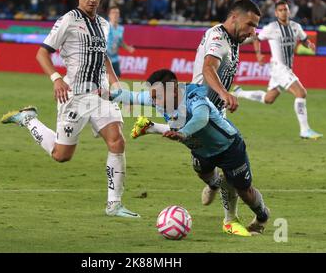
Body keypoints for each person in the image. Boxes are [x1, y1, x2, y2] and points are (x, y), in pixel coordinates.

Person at [0, 0, 139, 218]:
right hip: (74, 95)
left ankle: (114, 204)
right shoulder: (68, 20)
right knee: (61, 155)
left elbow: (103, 56)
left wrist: (115, 82)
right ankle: (28, 119)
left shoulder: (104, 25)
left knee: (117, 141)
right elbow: (42, 53)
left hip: (100, 93)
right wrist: (55, 79)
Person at [129, 0, 262, 235]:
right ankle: (215, 187)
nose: (252, 30)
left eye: (255, 26)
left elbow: (248, 38)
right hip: (196, 107)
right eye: (250, 24)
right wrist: (224, 93)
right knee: (202, 165)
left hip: (213, 112)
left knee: (225, 161)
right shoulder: (218, 38)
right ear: (234, 17)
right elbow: (208, 68)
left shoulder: (234, 38)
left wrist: (255, 37)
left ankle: (231, 219)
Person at [112, 69, 270, 236]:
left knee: (244, 191)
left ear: (173, 90)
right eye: (152, 96)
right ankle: (216, 185)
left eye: (157, 96)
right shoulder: (158, 98)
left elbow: (201, 118)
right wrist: (107, 94)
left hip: (228, 147)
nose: (154, 101)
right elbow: (132, 96)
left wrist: (183, 133)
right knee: (204, 174)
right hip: (201, 150)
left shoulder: (194, 96)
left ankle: (260, 217)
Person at [232, 0, 322, 139]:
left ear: (289, 11)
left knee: (269, 99)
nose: (283, 12)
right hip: (279, 68)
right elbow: (256, 38)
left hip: (286, 68)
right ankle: (305, 130)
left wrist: (309, 44)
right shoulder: (271, 28)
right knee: (301, 93)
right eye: (280, 10)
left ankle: (240, 93)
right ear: (276, 13)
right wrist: (258, 54)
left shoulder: (296, 26)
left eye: (285, 9)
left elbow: (304, 39)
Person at [106, 6, 135, 77]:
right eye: (113, 13)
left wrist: (128, 48)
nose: (115, 15)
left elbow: (120, 42)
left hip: (115, 59)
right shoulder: (105, 27)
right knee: (106, 82)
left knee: (117, 81)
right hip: (105, 59)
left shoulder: (121, 28)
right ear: (109, 15)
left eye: (117, 13)